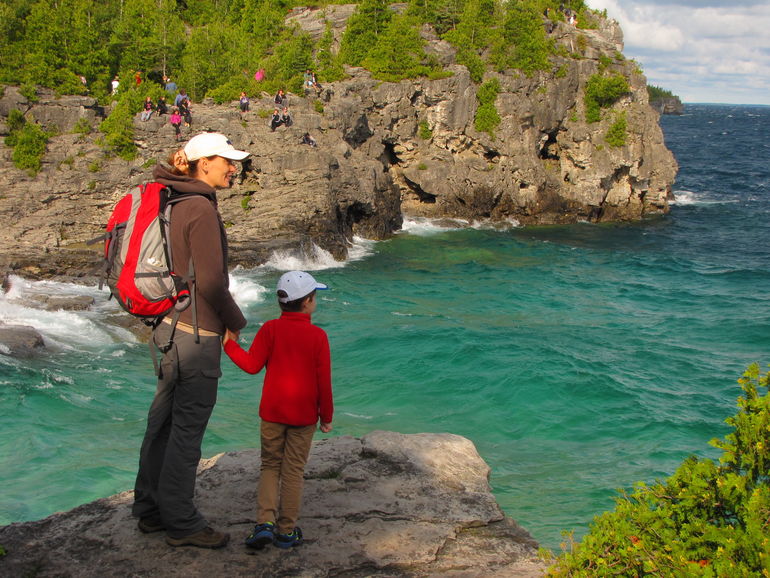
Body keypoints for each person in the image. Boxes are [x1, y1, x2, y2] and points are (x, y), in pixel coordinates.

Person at [132, 132, 250, 549]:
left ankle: (149, 510)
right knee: (186, 430)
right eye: (227, 161)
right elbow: (212, 281)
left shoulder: (172, 198)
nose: (233, 168)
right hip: (196, 336)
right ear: (204, 164)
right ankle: (182, 522)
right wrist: (237, 320)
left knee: (161, 423)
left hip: (168, 326)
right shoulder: (199, 207)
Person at [223, 270, 333, 550]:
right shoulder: (318, 336)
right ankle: (286, 531)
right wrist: (326, 417)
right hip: (303, 416)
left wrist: (229, 345)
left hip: (272, 413)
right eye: (314, 296)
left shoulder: (270, 329)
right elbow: (324, 383)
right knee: (294, 471)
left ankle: (264, 524)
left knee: (270, 466)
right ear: (307, 301)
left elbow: (251, 365)